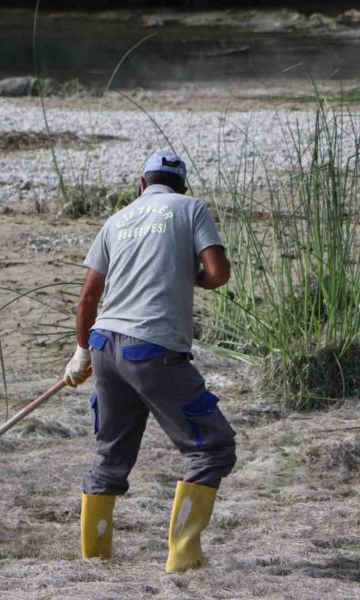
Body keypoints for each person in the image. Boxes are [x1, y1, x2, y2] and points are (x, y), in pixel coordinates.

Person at [63, 150, 237, 573]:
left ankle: (95, 559)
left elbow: (88, 297)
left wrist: (81, 351)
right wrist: (186, 274)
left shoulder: (116, 220)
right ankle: (183, 557)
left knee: (110, 455)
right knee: (213, 449)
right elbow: (218, 273)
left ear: (141, 184)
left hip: (105, 345)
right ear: (182, 186)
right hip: (152, 349)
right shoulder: (190, 208)